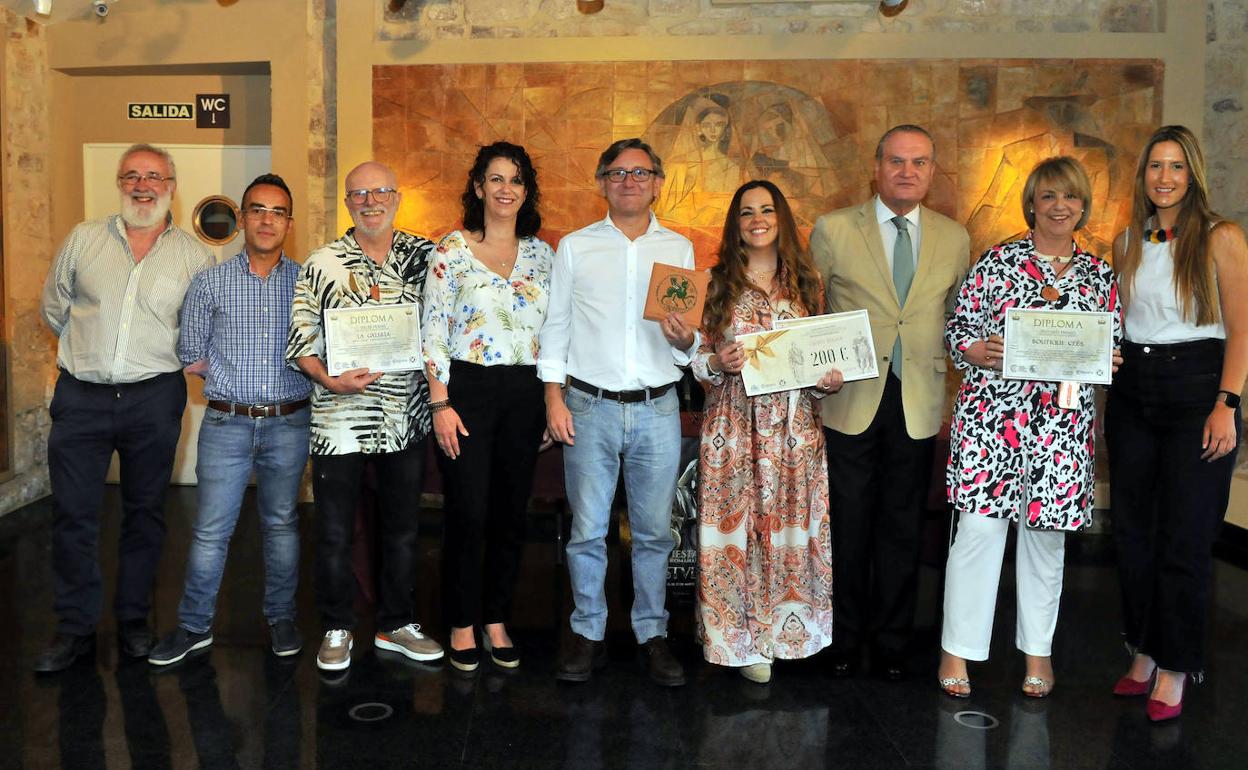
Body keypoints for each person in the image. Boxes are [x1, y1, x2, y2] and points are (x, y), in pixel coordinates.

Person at [937, 157, 1121, 698]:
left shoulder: (1100, 274)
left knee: (1046, 542)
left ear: (1083, 206)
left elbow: (1115, 343)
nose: (1060, 206)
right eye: (1048, 197)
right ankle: (957, 651)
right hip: (992, 420)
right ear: (1032, 204)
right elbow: (958, 331)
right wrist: (975, 348)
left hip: (1061, 429)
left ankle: (1038, 653)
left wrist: (1108, 360)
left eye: (1070, 197)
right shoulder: (996, 262)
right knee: (977, 534)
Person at [36, 144, 211, 673]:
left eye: (155, 177)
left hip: (154, 398)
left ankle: (134, 621)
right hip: (82, 397)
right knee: (73, 514)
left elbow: (198, 329)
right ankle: (74, 628)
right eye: (132, 175)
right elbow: (53, 308)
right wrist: (93, 354)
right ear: (119, 182)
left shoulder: (195, 256)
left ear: (172, 186)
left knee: (145, 514)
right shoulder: (83, 239)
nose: (143, 185)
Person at [809, 124, 970, 680]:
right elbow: (811, 307)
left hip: (919, 400)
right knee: (848, 527)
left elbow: (957, 318)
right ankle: (844, 639)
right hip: (848, 397)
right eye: (897, 161)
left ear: (932, 171)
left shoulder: (955, 237)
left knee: (903, 527)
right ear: (876, 168)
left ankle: (894, 641)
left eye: (920, 162)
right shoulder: (833, 228)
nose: (908, 171)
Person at [539, 138, 697, 687]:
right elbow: (555, 325)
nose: (629, 181)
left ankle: (652, 634)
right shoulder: (576, 247)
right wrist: (553, 397)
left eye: (641, 173)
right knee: (586, 531)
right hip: (588, 406)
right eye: (618, 173)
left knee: (655, 533)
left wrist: (688, 339)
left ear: (657, 182)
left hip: (657, 408)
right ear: (602, 182)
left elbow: (688, 345)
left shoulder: (678, 249)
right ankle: (588, 633)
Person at [1106, 125, 1248, 721]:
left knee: (1185, 538)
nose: (1164, 178)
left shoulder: (1221, 237)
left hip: (1198, 389)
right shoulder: (1126, 241)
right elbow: (1118, 325)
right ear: (1143, 177)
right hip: (1133, 391)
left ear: (1193, 175)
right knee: (1134, 534)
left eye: (1176, 167)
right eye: (1155, 167)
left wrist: (1229, 403)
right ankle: (1143, 650)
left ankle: (1175, 665)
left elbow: (1242, 329)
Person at [147, 173, 312, 666]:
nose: (267, 220)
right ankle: (194, 627)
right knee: (210, 531)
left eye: (277, 211)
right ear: (241, 219)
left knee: (282, 525)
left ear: (289, 222)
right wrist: (233, 379)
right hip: (226, 425)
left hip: (289, 423)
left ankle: (281, 618)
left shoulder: (307, 282)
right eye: (257, 210)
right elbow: (191, 352)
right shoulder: (210, 282)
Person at [286, 161, 443, 672]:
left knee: (400, 529)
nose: (369, 200)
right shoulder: (322, 263)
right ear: (348, 201)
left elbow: (443, 330)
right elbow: (301, 340)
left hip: (407, 417)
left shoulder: (426, 257)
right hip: (338, 419)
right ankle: (336, 626)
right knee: (333, 532)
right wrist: (329, 379)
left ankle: (396, 622)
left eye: (379, 191)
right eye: (359, 193)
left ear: (397, 197)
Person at [692, 180, 841, 684]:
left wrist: (827, 380)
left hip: (795, 430)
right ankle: (739, 642)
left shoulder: (807, 283)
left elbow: (821, 351)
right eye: (747, 212)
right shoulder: (715, 283)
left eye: (767, 210)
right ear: (735, 224)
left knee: (790, 531)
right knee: (736, 535)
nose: (757, 219)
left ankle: (788, 633)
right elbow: (697, 358)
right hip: (733, 427)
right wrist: (717, 360)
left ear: (781, 219)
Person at [422, 142, 554, 672]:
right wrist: (440, 404)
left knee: (509, 514)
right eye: (495, 179)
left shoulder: (543, 255)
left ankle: (496, 617)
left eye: (516, 180)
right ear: (478, 187)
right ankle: (459, 620)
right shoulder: (450, 250)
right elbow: (432, 332)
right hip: (467, 393)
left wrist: (550, 399)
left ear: (527, 191)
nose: (505, 189)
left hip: (525, 393)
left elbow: (556, 331)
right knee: (468, 512)